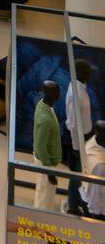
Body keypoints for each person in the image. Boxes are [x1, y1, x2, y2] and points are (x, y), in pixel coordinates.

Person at [64, 59, 94, 214]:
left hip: (83, 138)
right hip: (79, 141)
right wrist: (77, 147)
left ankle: (76, 202)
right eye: (88, 72)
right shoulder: (77, 94)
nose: (90, 74)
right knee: (76, 175)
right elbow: (74, 123)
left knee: (80, 173)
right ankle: (73, 206)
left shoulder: (79, 87)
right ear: (82, 74)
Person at [33, 79, 63, 210]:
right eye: (56, 92)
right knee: (44, 196)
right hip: (46, 163)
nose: (59, 94)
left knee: (44, 192)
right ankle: (40, 226)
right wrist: (49, 172)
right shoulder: (46, 119)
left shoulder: (42, 105)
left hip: (47, 161)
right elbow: (40, 146)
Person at [80, 122, 105, 220]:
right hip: (98, 208)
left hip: (87, 195)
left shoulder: (93, 140)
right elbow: (94, 191)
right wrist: (95, 214)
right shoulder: (99, 165)